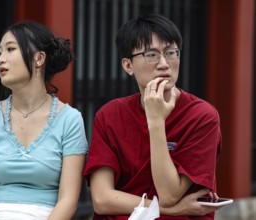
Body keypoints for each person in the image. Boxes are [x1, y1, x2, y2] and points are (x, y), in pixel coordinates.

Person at [83, 14, 223, 219]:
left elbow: (169, 195)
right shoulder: (110, 115)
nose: (164, 63)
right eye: (151, 55)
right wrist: (170, 209)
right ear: (127, 65)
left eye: (171, 53)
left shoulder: (202, 116)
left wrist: (156, 121)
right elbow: (102, 200)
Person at [0, 21, 88, 220]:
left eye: (10, 49)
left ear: (39, 58)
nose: (1, 59)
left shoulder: (70, 120)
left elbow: (68, 199)